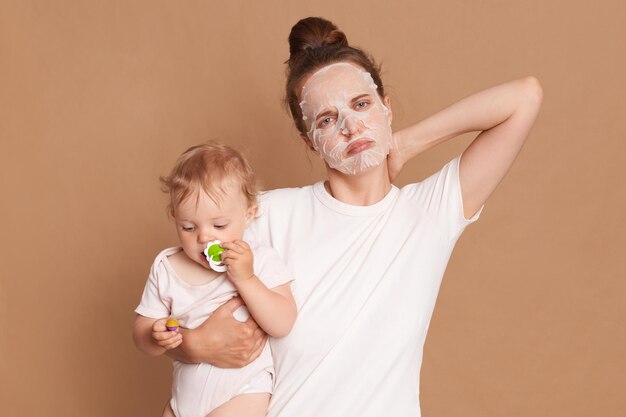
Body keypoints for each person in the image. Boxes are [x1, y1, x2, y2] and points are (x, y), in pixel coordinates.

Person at [167, 17, 543, 417]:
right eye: (327, 119)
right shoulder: (265, 214)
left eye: (361, 104)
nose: (350, 127)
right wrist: (192, 344)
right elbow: (177, 296)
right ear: (309, 140)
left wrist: (405, 142)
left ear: (387, 107)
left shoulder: (430, 213)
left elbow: (524, 98)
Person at [132, 142, 297, 417]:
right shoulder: (166, 267)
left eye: (219, 226)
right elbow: (141, 333)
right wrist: (154, 334)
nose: (205, 237)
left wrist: (246, 279)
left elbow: (283, 322)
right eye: (188, 227)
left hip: (241, 394)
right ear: (174, 217)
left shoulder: (260, 260)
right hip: (183, 401)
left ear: (249, 214)